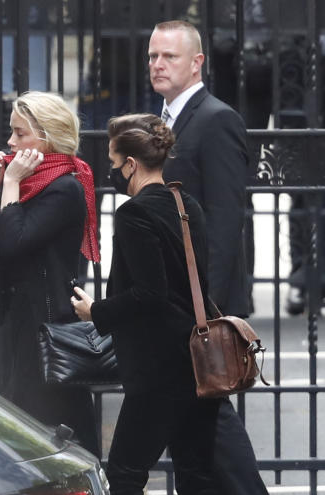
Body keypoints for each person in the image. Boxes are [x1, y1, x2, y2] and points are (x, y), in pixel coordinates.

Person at [71, 113, 223, 494]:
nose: (111, 171)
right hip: (199, 361)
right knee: (197, 471)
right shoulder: (187, 203)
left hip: (159, 367)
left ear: (131, 165)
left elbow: (150, 294)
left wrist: (97, 311)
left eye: (112, 163)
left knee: (125, 471)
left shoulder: (133, 213)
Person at [149, 20, 268, 495]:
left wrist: (209, 313)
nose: (158, 64)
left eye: (169, 57)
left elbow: (225, 220)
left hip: (201, 309)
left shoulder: (216, 118)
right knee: (192, 433)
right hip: (175, 302)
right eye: (153, 56)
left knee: (209, 419)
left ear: (196, 63)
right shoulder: (164, 120)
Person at [0, 91, 100, 456]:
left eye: (20, 133)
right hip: (16, 325)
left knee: (49, 434)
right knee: (17, 431)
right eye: (11, 132)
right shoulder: (25, 185)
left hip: (47, 331)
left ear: (47, 137)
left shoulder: (64, 187)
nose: (10, 142)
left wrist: (8, 184)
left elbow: (12, 242)